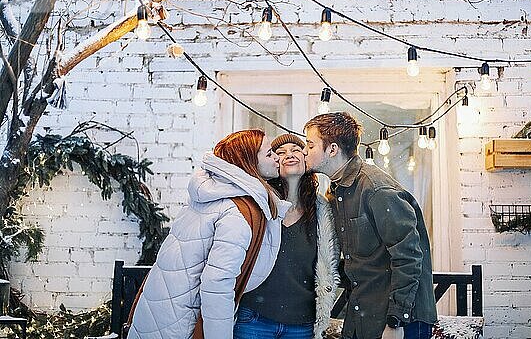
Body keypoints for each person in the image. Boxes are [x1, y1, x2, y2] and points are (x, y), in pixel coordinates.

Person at [127, 129, 289, 339]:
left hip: (161, 311)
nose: (277, 157)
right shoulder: (236, 211)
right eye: (269, 154)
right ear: (248, 162)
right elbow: (218, 286)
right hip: (182, 322)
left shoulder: (211, 196)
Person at [303, 112, 437, 339]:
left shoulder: (376, 189)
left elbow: (409, 257)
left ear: (332, 149)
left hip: (399, 321)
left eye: (310, 145)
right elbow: (362, 260)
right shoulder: (338, 191)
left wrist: (396, 321)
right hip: (363, 313)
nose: (305, 151)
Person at [234, 133, 340, 339]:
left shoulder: (322, 212)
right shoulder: (259, 206)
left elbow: (328, 266)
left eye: (296, 150)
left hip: (301, 324)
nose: (289, 155)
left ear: (305, 159)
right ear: (273, 163)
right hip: (254, 318)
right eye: (280, 153)